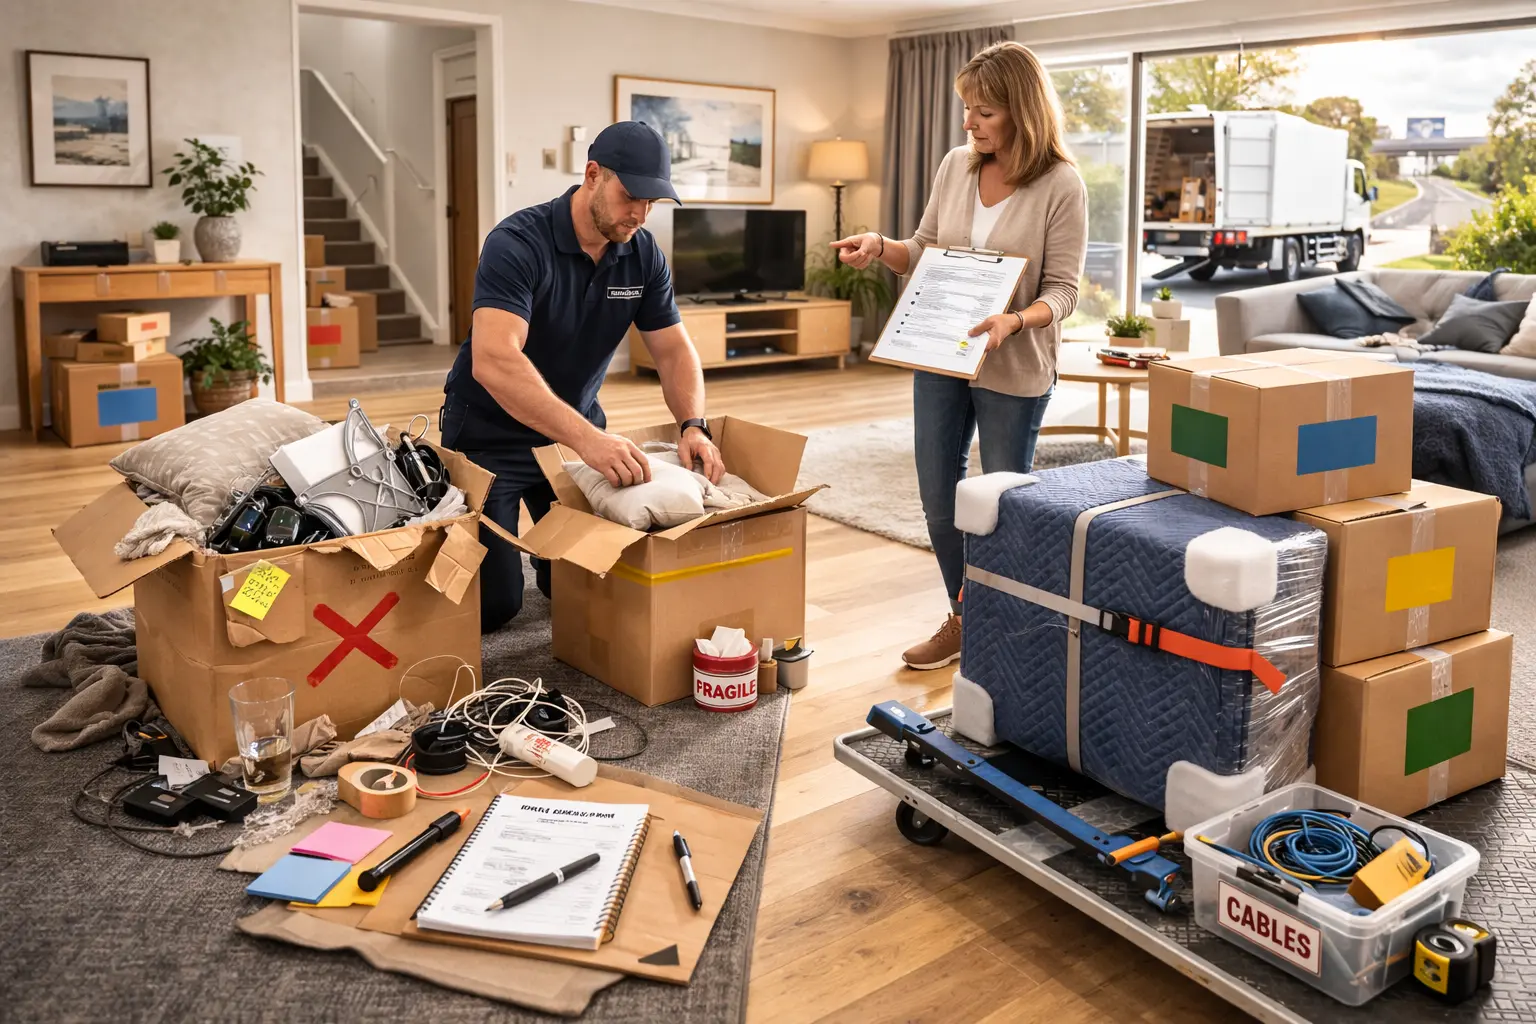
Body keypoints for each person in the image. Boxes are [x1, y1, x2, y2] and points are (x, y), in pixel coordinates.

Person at [830, 41, 1088, 671]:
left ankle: (1009, 625)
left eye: (984, 112)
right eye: (967, 109)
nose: (969, 123)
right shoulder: (957, 166)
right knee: (939, 499)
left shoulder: (1061, 184)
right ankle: (966, 615)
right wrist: (879, 245)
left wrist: (1014, 320)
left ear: (1022, 112)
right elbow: (923, 250)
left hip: (1015, 363)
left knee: (1000, 504)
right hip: (941, 354)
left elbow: (1065, 291)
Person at [440, 120, 725, 633]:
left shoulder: (642, 252)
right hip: (488, 438)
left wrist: (693, 425)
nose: (639, 213)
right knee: (492, 607)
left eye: (652, 202)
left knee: (585, 579)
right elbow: (494, 361)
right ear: (593, 175)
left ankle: (544, 557)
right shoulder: (517, 243)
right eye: (630, 195)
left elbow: (673, 351)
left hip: (571, 440)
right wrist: (590, 440)